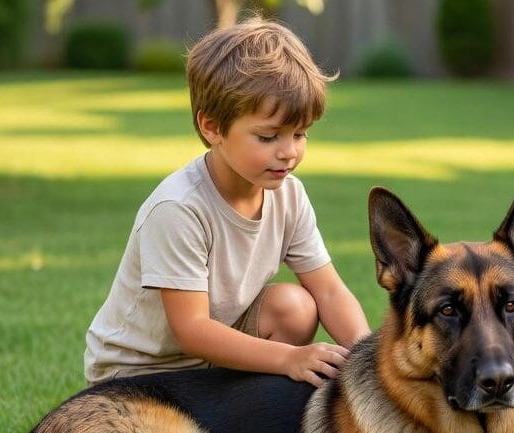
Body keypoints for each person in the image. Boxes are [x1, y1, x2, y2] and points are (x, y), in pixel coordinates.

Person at [83, 18, 369, 387]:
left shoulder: (289, 195)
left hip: (209, 361)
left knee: (294, 308)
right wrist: (289, 359)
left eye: (300, 134)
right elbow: (192, 329)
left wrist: (367, 362)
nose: (289, 152)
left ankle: (239, 404)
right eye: (268, 137)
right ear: (212, 128)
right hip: (140, 373)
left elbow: (329, 290)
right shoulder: (179, 209)